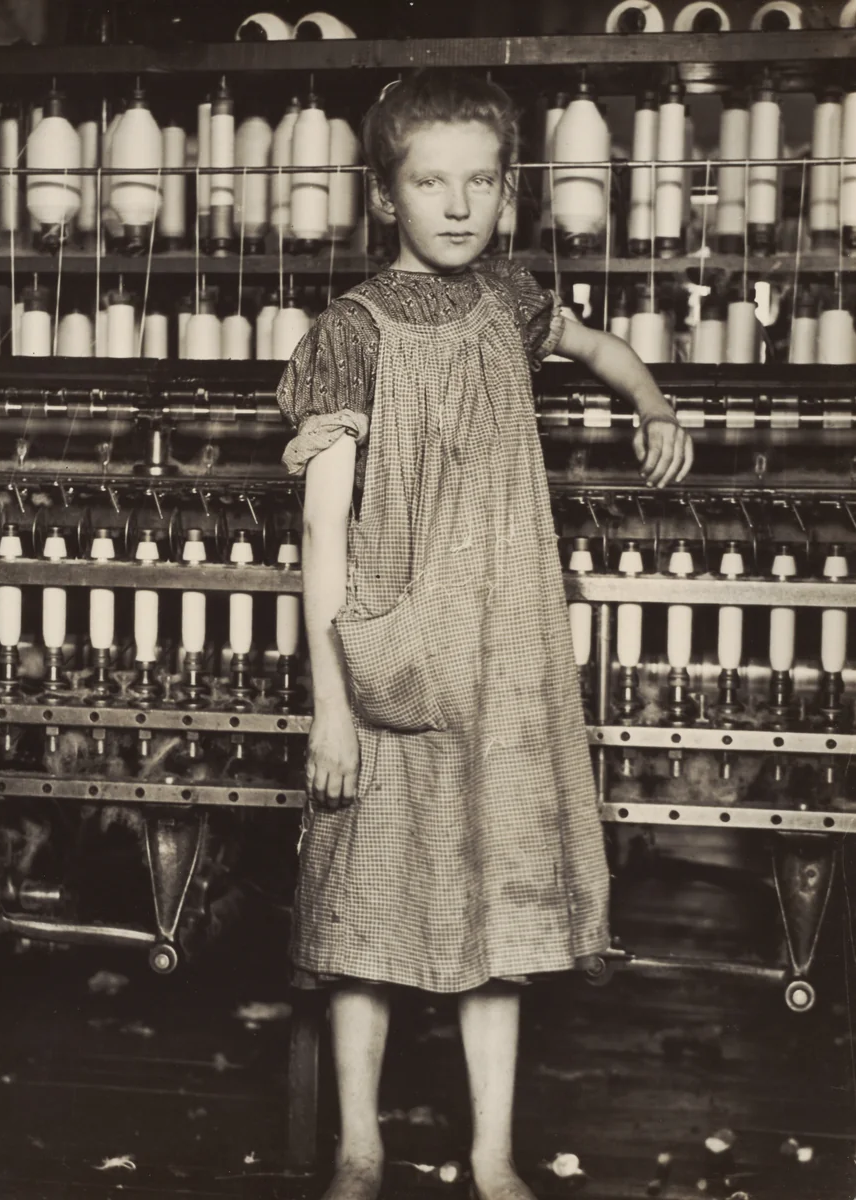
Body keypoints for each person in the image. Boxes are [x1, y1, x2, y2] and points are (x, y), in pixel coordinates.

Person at [276, 70, 694, 1200]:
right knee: (363, 913)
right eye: (427, 182)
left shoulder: (512, 299)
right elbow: (322, 531)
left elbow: (600, 349)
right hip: (391, 658)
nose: (455, 205)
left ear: (507, 194)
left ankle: (492, 1155)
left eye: (477, 182)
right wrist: (329, 707)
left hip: (503, 661)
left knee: (497, 908)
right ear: (382, 195)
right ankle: (358, 1146)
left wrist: (651, 407)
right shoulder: (349, 334)